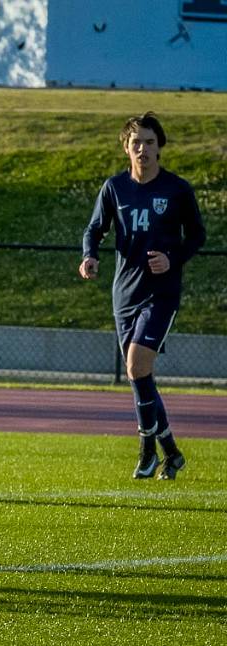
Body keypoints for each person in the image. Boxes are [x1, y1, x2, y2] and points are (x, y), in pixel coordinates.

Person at [80, 111, 205, 480]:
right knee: (141, 375)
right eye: (137, 142)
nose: (143, 149)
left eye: (150, 142)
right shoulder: (114, 188)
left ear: (159, 147)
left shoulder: (177, 190)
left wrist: (173, 258)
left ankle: (147, 451)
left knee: (136, 365)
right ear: (126, 148)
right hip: (125, 293)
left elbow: (197, 236)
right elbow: (94, 228)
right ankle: (172, 452)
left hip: (161, 295)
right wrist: (89, 256)